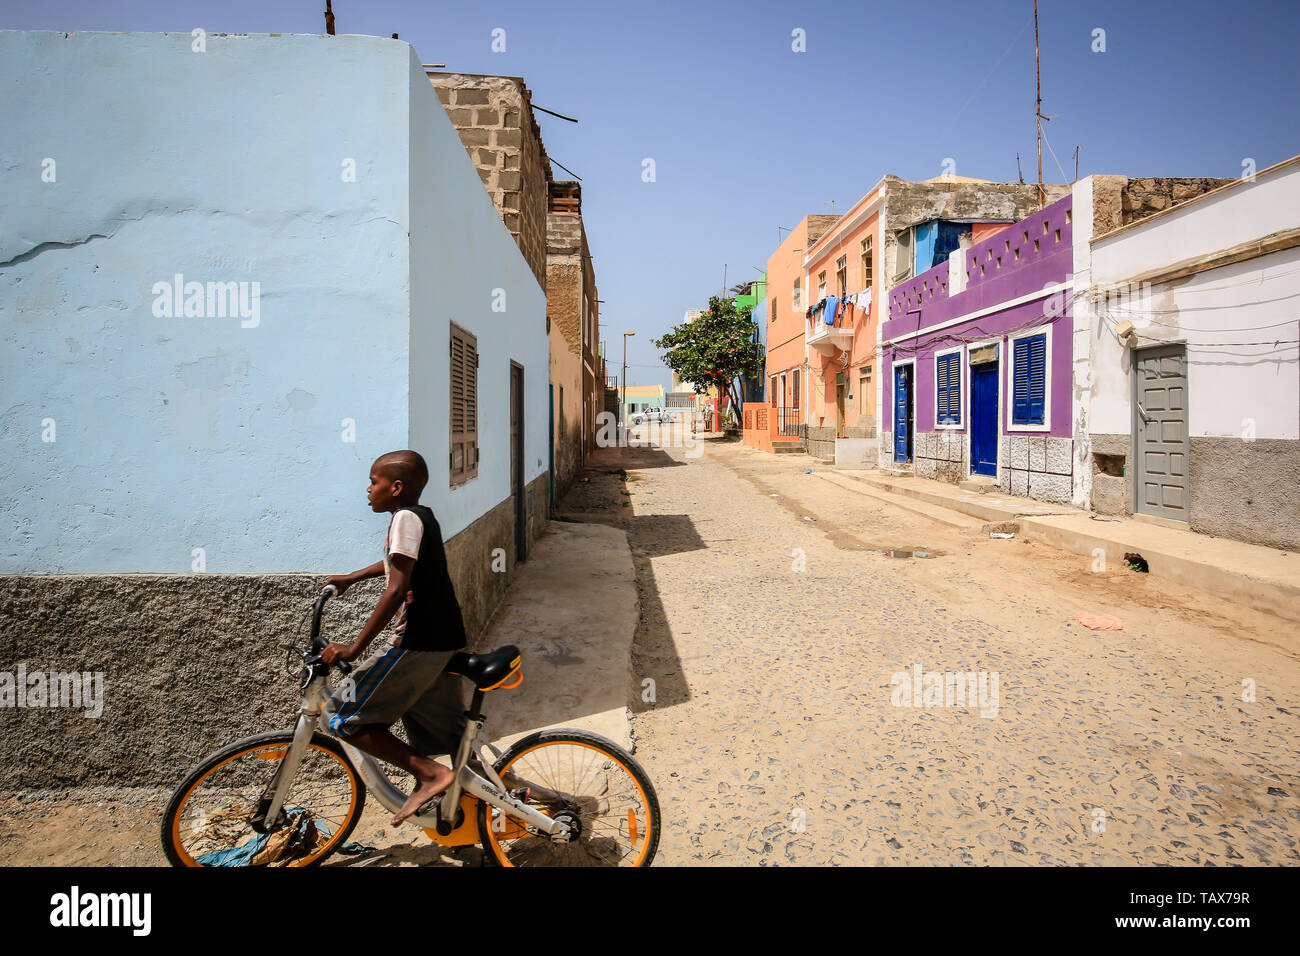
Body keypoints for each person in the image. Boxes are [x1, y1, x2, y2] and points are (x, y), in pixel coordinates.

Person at [319, 449, 468, 825]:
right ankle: (486, 797)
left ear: (396, 487)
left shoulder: (403, 518)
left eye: (374, 482)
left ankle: (430, 774)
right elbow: (398, 561)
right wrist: (353, 577)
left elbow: (397, 589)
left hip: (419, 640)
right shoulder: (421, 516)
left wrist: (354, 647)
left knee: (340, 716)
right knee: (451, 737)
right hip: (443, 638)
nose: (368, 489)